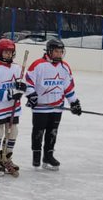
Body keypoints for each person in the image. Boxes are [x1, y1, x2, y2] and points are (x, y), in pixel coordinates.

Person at [23, 38, 81, 171]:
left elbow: (68, 87)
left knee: (52, 132)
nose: (59, 54)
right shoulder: (38, 65)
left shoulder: (65, 67)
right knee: (38, 132)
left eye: (61, 51)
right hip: (40, 108)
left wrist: (74, 102)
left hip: (57, 107)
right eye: (56, 51)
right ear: (49, 51)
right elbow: (28, 83)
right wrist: (31, 95)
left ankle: (48, 156)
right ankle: (36, 155)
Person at [0, 38, 24, 176]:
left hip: (12, 107)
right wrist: (11, 93)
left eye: (10, 52)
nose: (8, 55)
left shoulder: (17, 68)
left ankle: (6, 157)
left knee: (12, 131)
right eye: (5, 52)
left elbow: (20, 87)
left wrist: (22, 89)